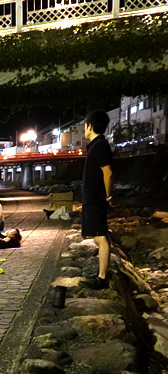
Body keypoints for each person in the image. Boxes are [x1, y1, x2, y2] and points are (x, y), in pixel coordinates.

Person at [80, 110, 113, 290]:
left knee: (101, 237)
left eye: (85, 126)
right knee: (99, 236)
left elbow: (108, 173)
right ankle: (101, 274)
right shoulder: (96, 145)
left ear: (90, 126)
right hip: (92, 198)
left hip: (96, 199)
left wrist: (108, 196)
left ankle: (102, 278)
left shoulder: (100, 145)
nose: (84, 129)